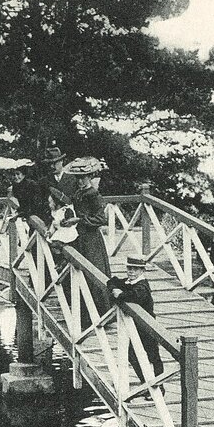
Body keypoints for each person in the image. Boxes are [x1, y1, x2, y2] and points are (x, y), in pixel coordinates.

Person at [63, 156, 112, 323]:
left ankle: (101, 315)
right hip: (79, 238)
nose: (80, 181)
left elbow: (101, 219)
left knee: (93, 273)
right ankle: (84, 315)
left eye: (83, 178)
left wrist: (79, 220)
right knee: (79, 273)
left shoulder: (94, 194)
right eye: (78, 178)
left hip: (91, 240)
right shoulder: (78, 193)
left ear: (90, 177)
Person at [109, 254, 164, 392]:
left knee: (153, 357)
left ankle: (159, 387)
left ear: (142, 271)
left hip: (147, 326)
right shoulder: (130, 282)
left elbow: (135, 296)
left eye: (135, 269)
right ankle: (146, 384)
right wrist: (114, 288)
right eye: (129, 268)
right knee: (132, 355)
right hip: (135, 326)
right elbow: (112, 281)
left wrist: (120, 294)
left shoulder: (142, 286)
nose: (131, 272)